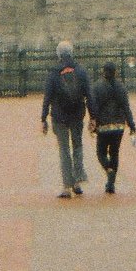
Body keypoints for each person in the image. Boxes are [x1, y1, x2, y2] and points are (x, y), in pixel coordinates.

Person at [40, 40, 94, 199]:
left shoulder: (54, 73)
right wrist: (93, 116)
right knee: (77, 146)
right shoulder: (81, 72)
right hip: (77, 115)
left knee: (64, 150)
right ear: (72, 53)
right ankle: (77, 181)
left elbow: (47, 97)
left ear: (58, 54)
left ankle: (66, 186)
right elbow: (89, 95)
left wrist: (43, 118)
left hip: (59, 116)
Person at [91, 62, 136, 195]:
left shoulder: (97, 87)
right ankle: (111, 184)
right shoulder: (121, 87)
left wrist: (93, 122)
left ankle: (108, 170)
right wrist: (132, 125)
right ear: (115, 72)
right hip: (118, 125)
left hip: (103, 125)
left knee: (101, 152)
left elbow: (94, 106)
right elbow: (126, 108)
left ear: (103, 71)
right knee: (115, 153)